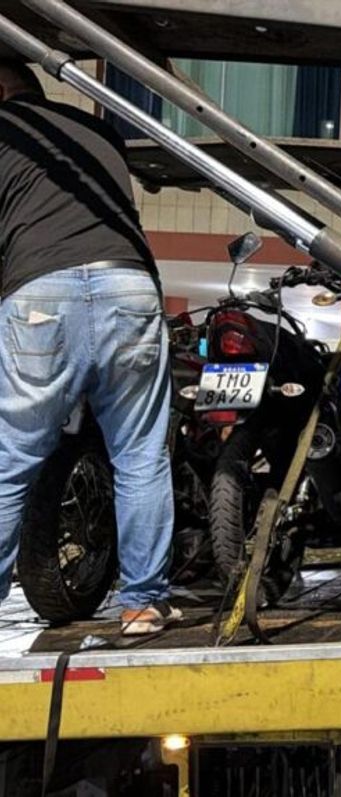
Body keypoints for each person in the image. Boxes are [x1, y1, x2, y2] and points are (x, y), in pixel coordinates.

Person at [0, 60, 179, 634]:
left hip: (40, 293)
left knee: (11, 459)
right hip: (128, 285)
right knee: (140, 455)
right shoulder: (98, 130)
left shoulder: (4, 128)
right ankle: (144, 604)